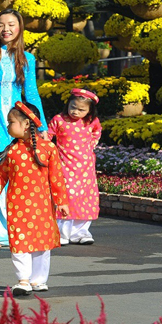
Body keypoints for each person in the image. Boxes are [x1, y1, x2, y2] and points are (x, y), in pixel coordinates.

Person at [0, 9, 48, 251]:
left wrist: (41, 125)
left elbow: (32, 94)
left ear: (19, 28)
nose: (6, 29)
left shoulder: (27, 59)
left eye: (11, 24)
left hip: (15, 121)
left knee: (11, 172)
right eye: (1, 25)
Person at [0, 101, 68, 295]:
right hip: (17, 206)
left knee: (42, 243)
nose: (7, 126)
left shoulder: (48, 148)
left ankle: (38, 280)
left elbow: (56, 177)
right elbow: (0, 177)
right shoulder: (12, 151)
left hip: (42, 207)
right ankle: (23, 280)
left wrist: (62, 201)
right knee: (19, 243)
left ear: (26, 124)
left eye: (11, 122)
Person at [48, 88, 102, 246]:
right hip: (64, 164)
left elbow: (97, 132)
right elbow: (49, 135)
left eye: (81, 109)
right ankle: (62, 233)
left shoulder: (92, 121)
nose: (76, 112)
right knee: (67, 196)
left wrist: (92, 143)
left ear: (90, 110)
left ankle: (81, 232)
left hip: (86, 167)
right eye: (73, 107)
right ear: (68, 104)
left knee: (86, 198)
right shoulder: (59, 119)